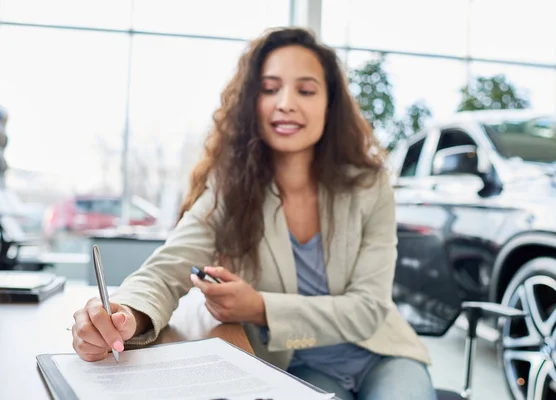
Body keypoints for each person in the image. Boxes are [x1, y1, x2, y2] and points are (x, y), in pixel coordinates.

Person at [71, 27, 436, 399]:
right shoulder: (230, 190)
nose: (286, 103)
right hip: (298, 364)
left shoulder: (369, 186)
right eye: (269, 88)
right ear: (251, 102)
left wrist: (260, 308)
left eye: (306, 90)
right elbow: (166, 270)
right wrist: (124, 315)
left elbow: (368, 309)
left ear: (329, 105)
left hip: (381, 353)